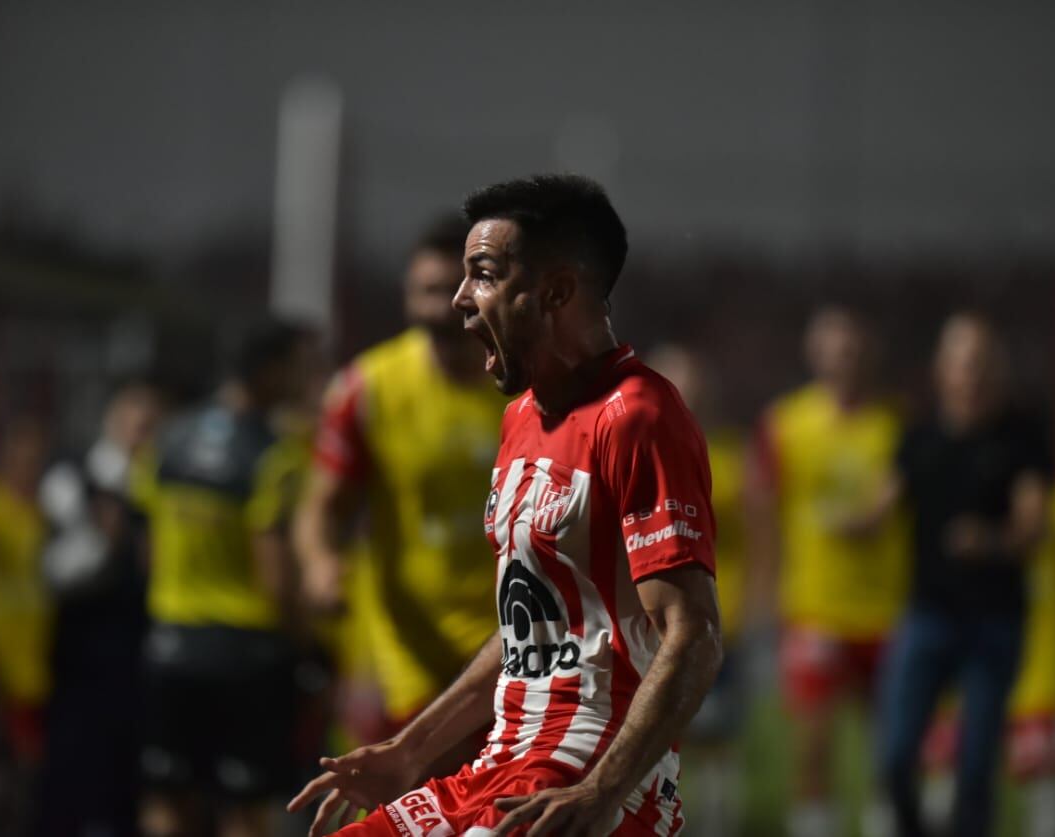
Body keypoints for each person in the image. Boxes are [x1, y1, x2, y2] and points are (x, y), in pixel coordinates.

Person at [289, 173, 723, 837]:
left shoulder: (640, 415)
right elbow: (536, 624)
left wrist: (604, 789)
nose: (462, 299)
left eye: (484, 274)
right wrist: (410, 749)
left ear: (555, 291)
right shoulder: (519, 416)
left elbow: (693, 635)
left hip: (581, 775)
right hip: (504, 761)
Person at [294, 215, 509, 760]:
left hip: (507, 639)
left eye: (453, 289)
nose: (441, 305)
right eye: (426, 291)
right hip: (404, 649)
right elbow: (321, 504)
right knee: (402, 805)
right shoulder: (368, 388)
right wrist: (320, 562)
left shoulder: (524, 383)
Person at [867, 313, 1052, 837]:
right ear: (941, 370)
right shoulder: (918, 437)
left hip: (994, 623)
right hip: (927, 615)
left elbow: (1032, 524)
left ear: (999, 372)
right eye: (963, 363)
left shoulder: (1022, 437)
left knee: (975, 768)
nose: (972, 375)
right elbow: (882, 505)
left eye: (983, 363)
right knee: (897, 756)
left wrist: (991, 541)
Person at [131, 319, 317, 837]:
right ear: (268, 370)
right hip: (247, 656)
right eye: (293, 369)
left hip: (170, 646)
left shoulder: (169, 437)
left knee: (166, 801)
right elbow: (276, 577)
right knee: (243, 811)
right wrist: (309, 644)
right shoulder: (275, 454)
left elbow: (147, 548)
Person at [747, 306, 907, 837]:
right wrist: (763, 599)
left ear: (870, 356)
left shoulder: (897, 425)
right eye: (835, 349)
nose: (845, 359)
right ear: (814, 355)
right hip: (815, 608)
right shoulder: (786, 424)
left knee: (893, 749)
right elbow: (763, 516)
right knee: (813, 750)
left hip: (886, 609)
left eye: (854, 350)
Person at [918, 477, 1055, 837]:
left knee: (1049, 808)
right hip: (966, 676)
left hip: (1038, 674)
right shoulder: (964, 492)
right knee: (944, 801)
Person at [36, 379, 163, 837]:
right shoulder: (72, 479)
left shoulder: (159, 486)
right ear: (112, 418)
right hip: (83, 657)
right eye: (135, 419)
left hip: (140, 657)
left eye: (152, 423)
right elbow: (56, 572)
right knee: (73, 780)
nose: (142, 432)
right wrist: (104, 542)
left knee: (129, 786)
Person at [647, 344, 749, 837]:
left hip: (718, 612)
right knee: (659, 731)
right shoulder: (636, 457)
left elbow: (760, 536)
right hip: (652, 620)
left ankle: (718, 822)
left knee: (718, 733)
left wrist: (757, 607)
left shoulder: (730, 458)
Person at [0, 415, 53, 768]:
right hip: (0, 640)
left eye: (35, 460)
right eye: (19, 458)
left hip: (46, 640)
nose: (26, 467)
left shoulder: (49, 505)